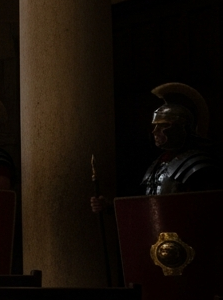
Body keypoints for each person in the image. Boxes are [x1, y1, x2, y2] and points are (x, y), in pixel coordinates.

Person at [92, 83, 217, 212]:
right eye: (155, 126)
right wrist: (111, 207)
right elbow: (147, 208)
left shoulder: (197, 166)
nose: (155, 131)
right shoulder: (157, 166)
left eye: (164, 126)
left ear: (182, 128)